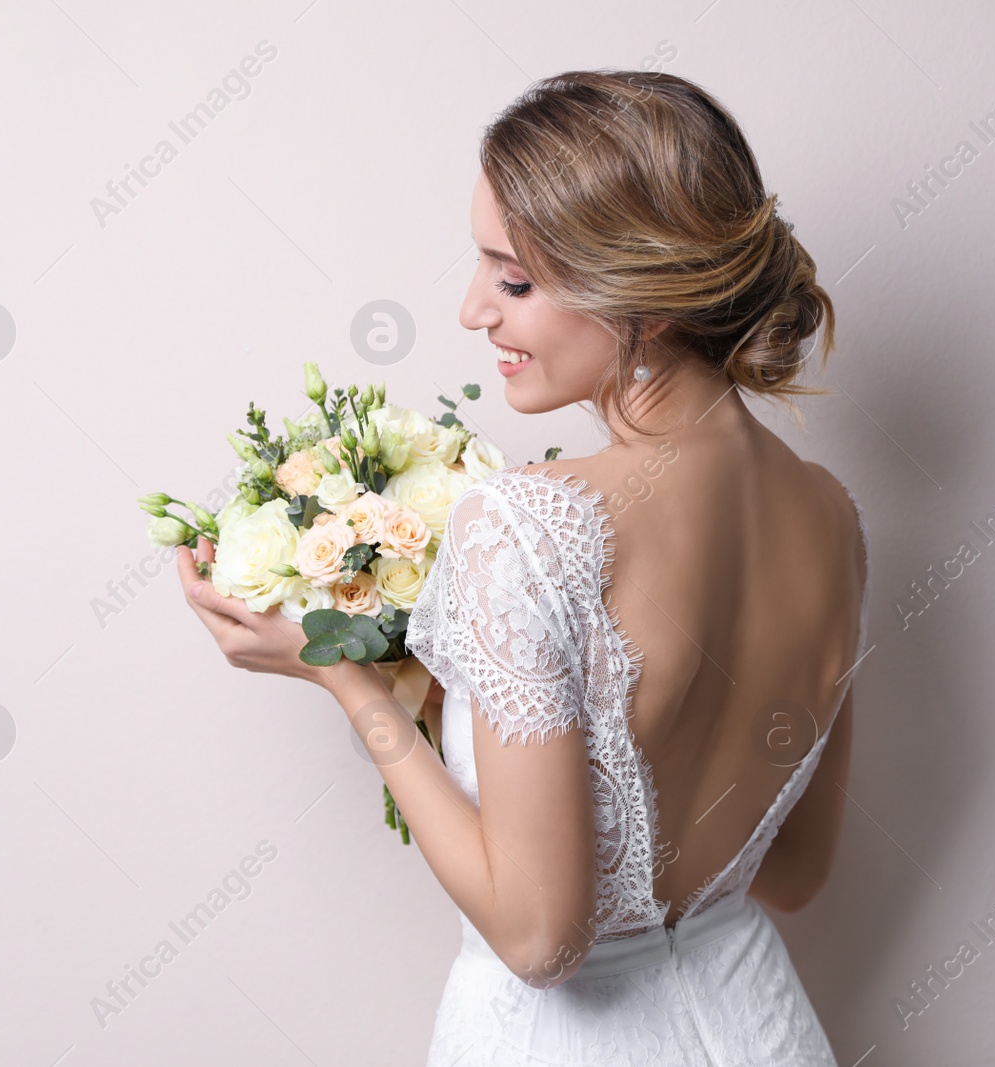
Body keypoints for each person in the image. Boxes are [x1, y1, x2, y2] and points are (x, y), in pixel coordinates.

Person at [178, 69, 870, 1066]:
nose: (472, 309)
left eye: (513, 279)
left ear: (648, 298)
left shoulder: (526, 523)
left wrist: (342, 676)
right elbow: (793, 872)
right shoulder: (833, 517)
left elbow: (541, 940)